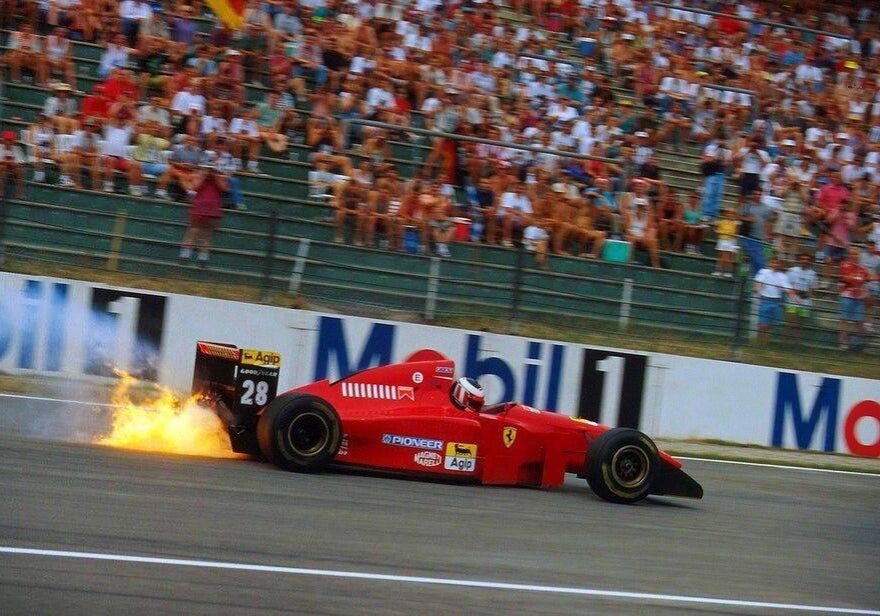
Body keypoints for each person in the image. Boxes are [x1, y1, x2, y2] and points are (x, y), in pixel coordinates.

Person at [180, 165, 227, 264]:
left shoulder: (220, 177)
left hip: (213, 208)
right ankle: (185, 254)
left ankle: (203, 256)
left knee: (207, 233)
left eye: (212, 169)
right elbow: (195, 187)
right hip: (199, 207)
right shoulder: (198, 176)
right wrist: (203, 176)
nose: (210, 171)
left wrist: (215, 176)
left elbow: (224, 189)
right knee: (193, 230)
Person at [754, 257, 794, 343]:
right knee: (762, 324)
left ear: (779, 264)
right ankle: (759, 342)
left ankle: (766, 343)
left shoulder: (783, 276)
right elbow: (758, 283)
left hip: (776, 301)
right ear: (770, 263)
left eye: (777, 263)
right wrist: (759, 293)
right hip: (765, 299)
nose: (775, 264)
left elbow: (787, 288)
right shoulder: (763, 271)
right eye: (773, 262)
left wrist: (795, 299)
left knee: (770, 325)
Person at [839, 246, 871, 351]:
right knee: (844, 320)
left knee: (859, 321)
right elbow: (845, 278)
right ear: (849, 255)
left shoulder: (863, 268)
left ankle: (858, 344)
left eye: (856, 254)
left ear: (859, 255)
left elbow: (869, 277)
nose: (854, 255)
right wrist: (859, 278)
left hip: (859, 297)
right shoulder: (845, 264)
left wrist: (861, 279)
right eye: (852, 253)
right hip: (847, 296)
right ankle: (844, 344)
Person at [786, 253, 818, 341]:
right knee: (791, 322)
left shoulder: (813, 274)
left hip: (805, 301)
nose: (805, 261)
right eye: (803, 259)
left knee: (801, 324)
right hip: (792, 301)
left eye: (807, 259)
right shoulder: (792, 270)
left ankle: (798, 343)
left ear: (810, 262)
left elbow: (813, 290)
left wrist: (807, 294)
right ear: (799, 260)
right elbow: (787, 285)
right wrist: (794, 292)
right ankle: (785, 342)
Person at [714, 208, 739, 277]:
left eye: (732, 214)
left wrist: (731, 234)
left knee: (729, 257)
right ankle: (718, 270)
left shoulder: (736, 223)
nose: (730, 215)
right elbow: (717, 230)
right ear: (725, 214)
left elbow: (736, 233)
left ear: (734, 215)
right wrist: (723, 232)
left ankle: (728, 271)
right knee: (721, 256)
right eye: (728, 213)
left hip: (731, 241)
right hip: (722, 240)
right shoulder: (721, 222)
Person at [0, 130, 25, 198]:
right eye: (6, 140)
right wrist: (10, 162)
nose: (8, 142)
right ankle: (1, 191)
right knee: (3, 167)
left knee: (20, 170)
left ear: (14, 141)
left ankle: (20, 193)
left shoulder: (17, 149)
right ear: (3, 140)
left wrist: (7, 162)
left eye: (10, 140)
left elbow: (20, 163)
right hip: (2, 170)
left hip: (13, 170)